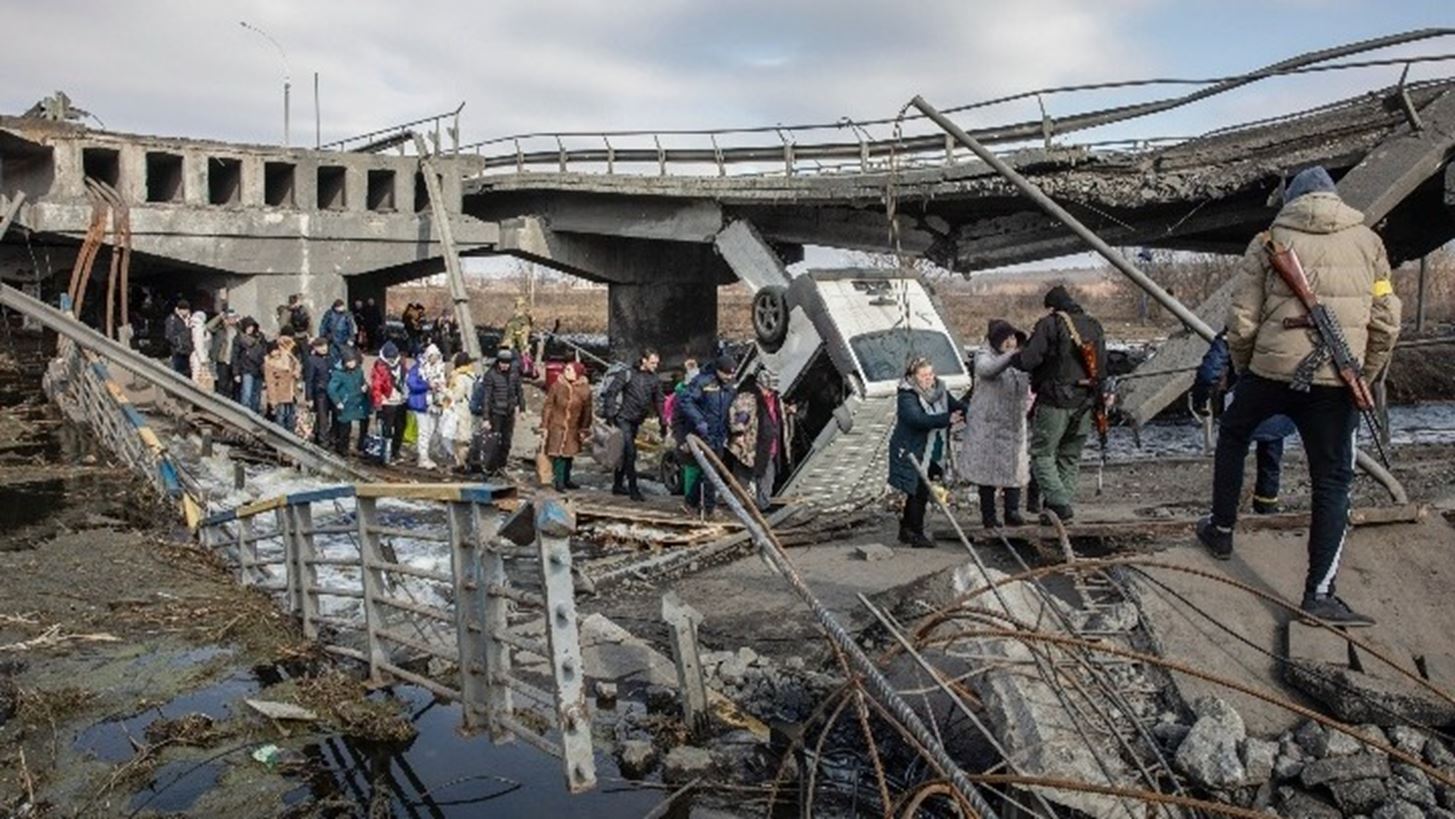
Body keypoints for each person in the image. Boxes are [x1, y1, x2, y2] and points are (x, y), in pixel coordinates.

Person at [1196, 165, 1400, 626]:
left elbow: (1241, 319)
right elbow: (1387, 320)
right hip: (1336, 384)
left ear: (1293, 201)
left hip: (1269, 371)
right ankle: (1319, 594)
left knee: (1233, 434)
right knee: (1333, 482)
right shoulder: (1369, 243)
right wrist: (1361, 375)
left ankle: (1221, 529)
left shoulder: (1268, 241)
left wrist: (1248, 370)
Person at [1010, 284, 1108, 524]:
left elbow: (1028, 360)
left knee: (1042, 455)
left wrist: (1011, 358)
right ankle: (1056, 510)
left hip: (1055, 400)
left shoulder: (1050, 324)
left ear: (1052, 307)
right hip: (1087, 401)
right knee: (1069, 457)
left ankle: (1059, 505)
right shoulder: (1094, 325)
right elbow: (1103, 366)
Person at [1192, 330, 1295, 515]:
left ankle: (1225, 510)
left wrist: (1199, 398)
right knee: (1271, 456)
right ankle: (1266, 505)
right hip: (1278, 402)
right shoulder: (1284, 328)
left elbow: (1209, 371)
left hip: (1241, 400)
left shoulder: (1235, 330)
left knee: (1231, 455)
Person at [888, 356, 968, 548]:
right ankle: (915, 533)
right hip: (911, 449)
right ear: (913, 377)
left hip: (932, 449)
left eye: (931, 374)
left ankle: (907, 529)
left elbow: (956, 405)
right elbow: (917, 419)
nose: (928, 378)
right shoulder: (907, 396)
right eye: (923, 375)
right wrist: (947, 419)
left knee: (919, 490)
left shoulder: (940, 391)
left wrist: (970, 412)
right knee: (918, 490)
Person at [962, 320, 1033, 528]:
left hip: (1013, 422)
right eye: (1006, 339)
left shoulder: (1020, 361)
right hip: (988, 424)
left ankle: (1012, 511)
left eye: (1013, 338)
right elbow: (987, 370)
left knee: (1015, 469)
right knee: (987, 472)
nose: (1011, 343)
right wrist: (1011, 356)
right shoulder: (984, 356)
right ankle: (989, 516)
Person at [602, 349, 666, 501]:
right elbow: (611, 392)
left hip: (636, 419)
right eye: (652, 363)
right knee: (630, 452)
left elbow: (659, 400)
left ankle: (618, 485)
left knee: (625, 453)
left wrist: (662, 420)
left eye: (656, 363)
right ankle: (633, 488)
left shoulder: (654, 379)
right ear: (644, 360)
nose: (655, 366)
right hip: (622, 418)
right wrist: (610, 414)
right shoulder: (627, 374)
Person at [681, 354, 738, 517]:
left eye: (731, 374)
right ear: (718, 370)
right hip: (704, 432)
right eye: (726, 373)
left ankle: (691, 502)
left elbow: (733, 403)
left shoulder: (730, 384)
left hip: (720, 432)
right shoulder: (703, 382)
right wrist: (699, 421)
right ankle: (709, 508)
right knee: (710, 471)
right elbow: (686, 401)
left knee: (710, 469)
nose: (729, 377)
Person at [726, 369, 789, 511]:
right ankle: (736, 505)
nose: (769, 392)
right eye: (767, 389)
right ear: (759, 385)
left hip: (770, 445)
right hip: (749, 445)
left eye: (771, 389)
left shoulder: (776, 399)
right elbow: (740, 416)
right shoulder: (747, 398)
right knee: (742, 476)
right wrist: (738, 433)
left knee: (768, 476)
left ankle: (763, 505)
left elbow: (777, 417)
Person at [541, 361, 593, 491]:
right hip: (557, 424)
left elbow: (587, 410)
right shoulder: (557, 386)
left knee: (569, 454)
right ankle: (559, 481)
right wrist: (544, 424)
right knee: (558, 454)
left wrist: (584, 427)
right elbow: (548, 406)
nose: (566, 372)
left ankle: (566, 479)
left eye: (569, 370)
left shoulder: (584, 390)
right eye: (566, 369)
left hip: (573, 427)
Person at [471, 348, 525, 474]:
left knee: (507, 441)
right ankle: (492, 466)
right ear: (498, 362)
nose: (504, 366)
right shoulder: (491, 374)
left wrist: (522, 409)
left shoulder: (514, 374)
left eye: (507, 363)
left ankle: (502, 465)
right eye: (502, 363)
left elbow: (519, 391)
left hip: (509, 411)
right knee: (494, 441)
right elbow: (487, 397)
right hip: (495, 412)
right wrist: (486, 418)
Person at [406, 343, 448, 469]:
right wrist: (427, 385)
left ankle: (425, 454)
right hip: (421, 403)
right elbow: (411, 384)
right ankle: (423, 457)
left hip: (435, 404)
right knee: (424, 431)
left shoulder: (440, 369)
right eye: (432, 356)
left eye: (436, 356)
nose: (434, 359)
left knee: (431, 430)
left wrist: (441, 388)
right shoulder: (418, 368)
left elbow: (444, 383)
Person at [370, 341, 408, 465]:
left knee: (401, 427)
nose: (391, 360)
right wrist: (378, 403)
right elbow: (376, 386)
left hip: (401, 401)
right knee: (387, 429)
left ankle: (395, 450)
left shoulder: (401, 364)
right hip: (387, 402)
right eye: (389, 357)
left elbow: (405, 380)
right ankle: (386, 452)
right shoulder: (379, 366)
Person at [327, 351, 370, 455]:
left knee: (365, 421)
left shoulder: (358, 371)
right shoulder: (339, 373)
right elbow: (331, 389)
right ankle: (342, 448)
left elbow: (362, 381)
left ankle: (361, 445)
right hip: (346, 402)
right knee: (345, 427)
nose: (351, 364)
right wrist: (337, 402)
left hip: (359, 401)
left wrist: (365, 386)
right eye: (348, 362)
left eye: (352, 361)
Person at [443, 353, 478, 470]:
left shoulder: (459, 377)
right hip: (472, 410)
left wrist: (444, 390)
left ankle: (462, 464)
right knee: (469, 437)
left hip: (462, 410)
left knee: (461, 439)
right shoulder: (473, 375)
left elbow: (457, 396)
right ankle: (468, 462)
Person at [263, 335, 302, 434]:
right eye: (273, 351)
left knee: (291, 415)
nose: (275, 353)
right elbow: (270, 382)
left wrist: (296, 372)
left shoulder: (289, 357)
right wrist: (272, 400)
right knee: (281, 416)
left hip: (291, 391)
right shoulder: (269, 363)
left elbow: (297, 365)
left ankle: (290, 434)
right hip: (279, 393)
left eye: (276, 350)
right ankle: (281, 435)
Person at [232, 318, 267, 413]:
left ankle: (254, 414)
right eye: (248, 327)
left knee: (256, 396)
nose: (250, 329)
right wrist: (236, 373)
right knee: (246, 394)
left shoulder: (260, 338)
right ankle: (245, 415)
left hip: (259, 370)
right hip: (246, 369)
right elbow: (235, 356)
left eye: (251, 327)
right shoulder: (239, 338)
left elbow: (265, 352)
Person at [304, 337, 334, 446]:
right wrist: (309, 397)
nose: (323, 348)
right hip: (320, 392)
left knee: (331, 416)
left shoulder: (330, 358)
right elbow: (309, 380)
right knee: (322, 417)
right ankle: (323, 440)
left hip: (331, 391)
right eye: (320, 346)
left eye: (325, 346)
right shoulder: (312, 360)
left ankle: (327, 437)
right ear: (315, 348)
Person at [206, 309, 240, 400]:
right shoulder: (220, 330)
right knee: (222, 384)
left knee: (232, 386)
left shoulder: (238, 330)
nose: (231, 320)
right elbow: (208, 327)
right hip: (222, 360)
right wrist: (219, 317)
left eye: (233, 317)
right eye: (229, 318)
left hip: (234, 361)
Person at [319, 299, 357, 365]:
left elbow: (351, 327)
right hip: (331, 339)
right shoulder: (329, 313)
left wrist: (351, 338)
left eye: (342, 306)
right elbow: (323, 325)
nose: (342, 308)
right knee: (332, 357)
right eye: (340, 307)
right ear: (336, 307)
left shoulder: (347, 314)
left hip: (344, 339)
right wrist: (322, 337)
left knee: (345, 356)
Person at [163, 299, 193, 376]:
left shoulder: (189, 319)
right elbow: (169, 335)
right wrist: (178, 344)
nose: (186, 312)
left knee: (187, 372)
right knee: (178, 372)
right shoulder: (172, 319)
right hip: (178, 351)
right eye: (184, 309)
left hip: (188, 350)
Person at [187, 310, 214, 391]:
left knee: (199, 378)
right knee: (198, 378)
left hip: (201, 356)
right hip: (199, 357)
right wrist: (203, 360)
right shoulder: (198, 328)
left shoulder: (197, 327)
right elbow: (198, 345)